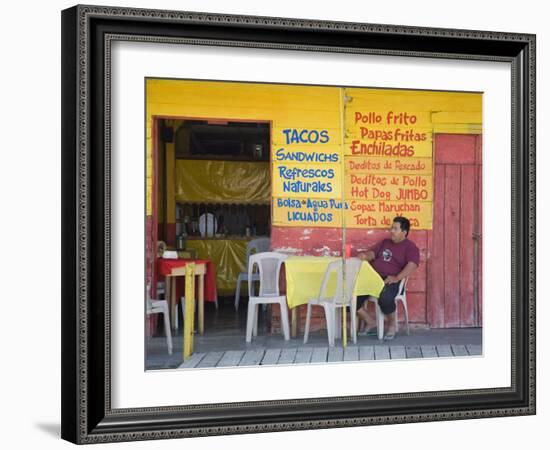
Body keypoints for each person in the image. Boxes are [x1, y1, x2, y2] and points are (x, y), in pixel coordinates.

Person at [356, 216, 420, 340]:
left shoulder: (410, 247)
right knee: (351, 295)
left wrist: (397, 277)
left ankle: (392, 325)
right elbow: (372, 254)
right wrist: (365, 255)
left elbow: (412, 265)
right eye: (392, 228)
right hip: (374, 278)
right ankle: (370, 322)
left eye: (395, 229)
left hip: (391, 280)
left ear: (404, 232)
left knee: (385, 298)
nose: (391, 231)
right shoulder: (385, 242)